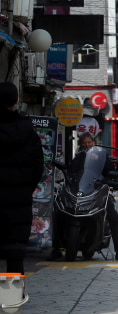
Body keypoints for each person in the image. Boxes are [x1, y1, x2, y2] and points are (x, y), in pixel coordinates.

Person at [48, 132, 118, 261]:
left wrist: (106, 180)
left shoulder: (102, 156)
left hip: (97, 191)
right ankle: (55, 249)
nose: (87, 145)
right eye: (84, 143)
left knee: (113, 216)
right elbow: (70, 173)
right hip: (78, 193)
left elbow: (110, 172)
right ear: (80, 144)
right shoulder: (78, 157)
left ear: (93, 143)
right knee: (58, 211)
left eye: (89, 142)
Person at [0, 82, 44, 274]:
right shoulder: (28, 132)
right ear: (17, 101)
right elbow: (38, 166)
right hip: (20, 204)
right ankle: (14, 298)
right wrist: (26, 188)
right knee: (15, 253)